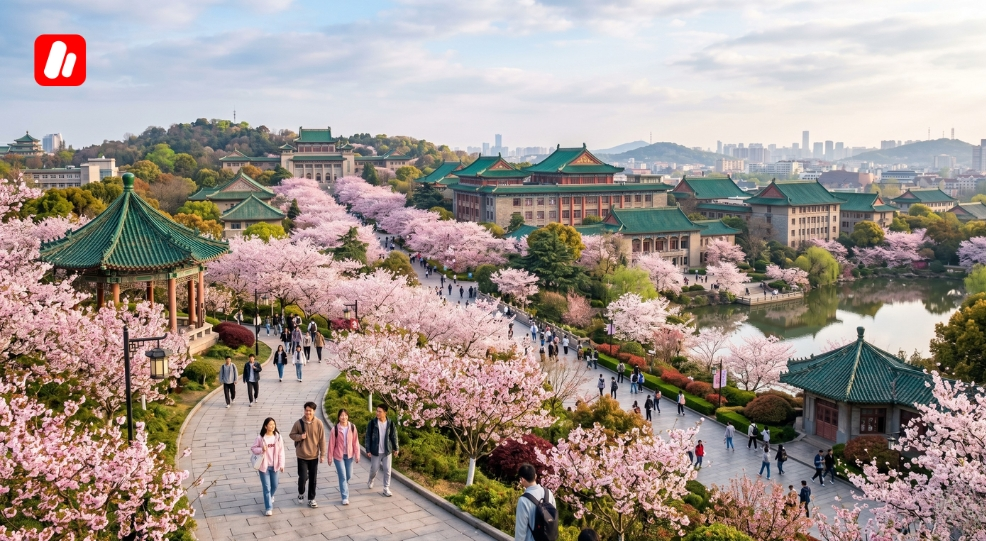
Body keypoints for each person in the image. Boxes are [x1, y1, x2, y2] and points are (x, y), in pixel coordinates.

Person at [289, 402, 327, 508]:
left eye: (310, 410)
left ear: (314, 411)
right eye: (306, 410)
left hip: (314, 455)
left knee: (313, 478)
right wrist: (300, 436)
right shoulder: (299, 423)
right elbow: (292, 435)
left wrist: (322, 454)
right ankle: (301, 492)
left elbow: (322, 440)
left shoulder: (319, 423)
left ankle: (311, 499)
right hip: (302, 455)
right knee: (303, 477)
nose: (308, 412)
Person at [251, 417, 285, 516]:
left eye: (273, 424)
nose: (272, 426)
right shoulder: (260, 438)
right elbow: (253, 448)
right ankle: (268, 508)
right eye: (270, 424)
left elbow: (281, 452)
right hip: (263, 467)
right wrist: (261, 449)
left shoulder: (278, 437)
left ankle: (270, 497)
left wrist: (281, 464)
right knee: (267, 487)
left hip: (274, 466)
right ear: (266, 426)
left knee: (275, 485)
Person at [514, 463, 556, 541]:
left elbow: (520, 530)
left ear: (522, 480)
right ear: (535, 476)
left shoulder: (523, 500)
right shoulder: (549, 493)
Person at [365, 403, 399, 497]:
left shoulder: (390, 423)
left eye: (380, 411)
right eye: (377, 411)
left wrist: (396, 448)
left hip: (387, 451)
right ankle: (371, 479)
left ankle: (386, 488)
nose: (377, 413)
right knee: (374, 469)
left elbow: (394, 436)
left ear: (385, 413)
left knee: (387, 470)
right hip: (375, 451)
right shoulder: (372, 423)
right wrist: (368, 449)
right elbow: (367, 437)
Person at [328, 409, 360, 505]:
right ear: (338, 417)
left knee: (348, 475)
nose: (344, 417)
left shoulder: (353, 428)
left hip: (349, 455)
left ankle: (343, 486)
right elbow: (331, 444)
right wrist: (329, 458)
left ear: (348, 416)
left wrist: (357, 455)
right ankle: (345, 497)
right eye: (341, 415)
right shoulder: (335, 429)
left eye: (345, 415)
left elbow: (356, 443)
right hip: (338, 456)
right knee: (342, 476)